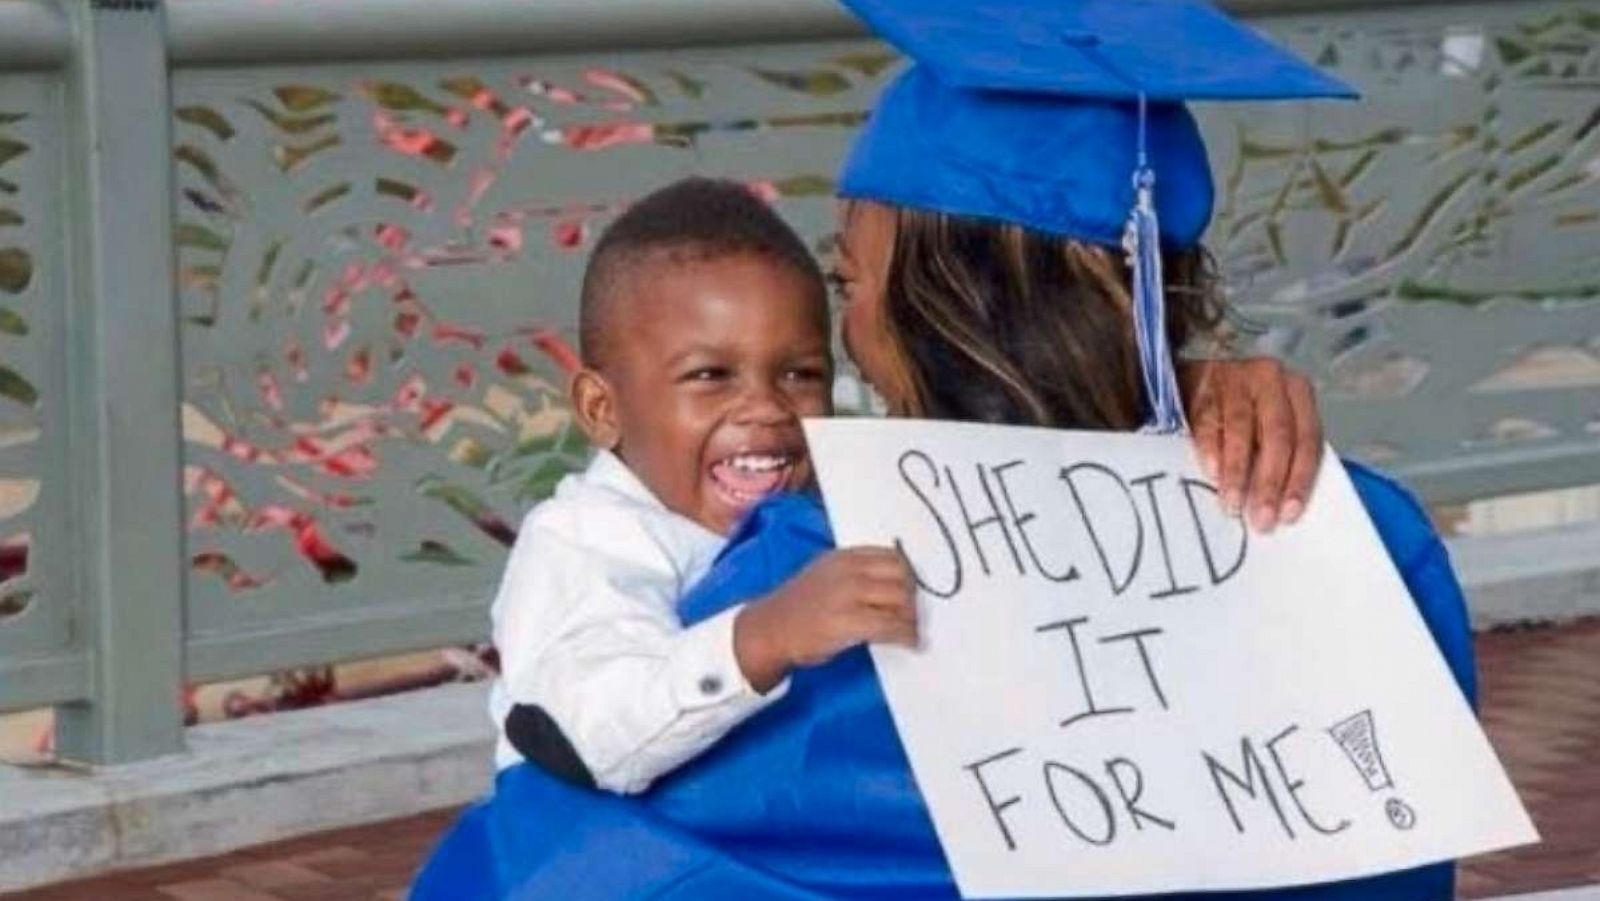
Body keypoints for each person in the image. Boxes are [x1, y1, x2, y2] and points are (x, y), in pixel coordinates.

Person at [411, 2, 1473, 897]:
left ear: (935, 304)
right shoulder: (1363, 535)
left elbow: (566, 858)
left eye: (851, 283)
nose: (847, 329)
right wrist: (1178, 376)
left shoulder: (819, 580)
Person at [487, 176, 1320, 796]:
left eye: (802, 374)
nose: (767, 410)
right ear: (601, 406)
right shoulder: (585, 544)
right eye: (709, 375)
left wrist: (1180, 386)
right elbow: (576, 730)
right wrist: (764, 634)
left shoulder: (828, 489)